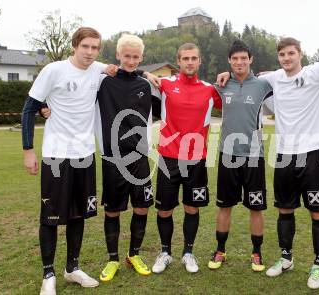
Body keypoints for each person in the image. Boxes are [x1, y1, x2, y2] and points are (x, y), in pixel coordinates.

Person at [217, 37, 319, 289]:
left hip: (312, 154)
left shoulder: (316, 72)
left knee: (317, 212)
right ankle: (285, 258)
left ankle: (318, 265)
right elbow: (245, 76)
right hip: (284, 154)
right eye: (282, 55)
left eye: (291, 54)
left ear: (300, 54)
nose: (287, 58)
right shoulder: (273, 78)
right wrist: (226, 73)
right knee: (284, 209)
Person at [21, 27, 117, 295]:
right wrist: (28, 150)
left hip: (85, 154)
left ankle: (72, 268)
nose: (89, 52)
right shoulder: (54, 70)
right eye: (85, 46)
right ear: (75, 46)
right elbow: (29, 108)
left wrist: (151, 76)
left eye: (95, 47)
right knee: (50, 216)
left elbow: (124, 68)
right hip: (56, 155)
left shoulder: (99, 69)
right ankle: (48, 274)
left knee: (79, 214)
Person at [151, 43, 222, 274]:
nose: (190, 62)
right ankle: (165, 252)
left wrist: (229, 75)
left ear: (200, 61)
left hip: (196, 160)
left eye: (194, 58)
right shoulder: (165, 85)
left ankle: (188, 253)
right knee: (164, 210)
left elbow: (236, 95)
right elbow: (133, 75)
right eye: (185, 58)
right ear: (178, 61)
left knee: (192, 207)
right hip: (168, 158)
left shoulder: (211, 90)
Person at [94, 34, 161, 282]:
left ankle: (134, 255)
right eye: (127, 56)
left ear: (141, 58)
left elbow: (166, 104)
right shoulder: (103, 82)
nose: (131, 60)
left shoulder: (146, 86)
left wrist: (145, 74)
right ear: (118, 55)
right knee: (113, 210)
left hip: (139, 156)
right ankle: (112, 259)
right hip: (113, 157)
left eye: (135, 57)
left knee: (142, 206)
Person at [207, 40, 273, 272]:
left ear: (251, 59)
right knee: (225, 206)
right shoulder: (222, 85)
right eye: (235, 59)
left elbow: (287, 78)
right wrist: (222, 76)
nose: (239, 62)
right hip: (228, 155)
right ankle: (220, 250)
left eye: (243, 58)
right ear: (229, 61)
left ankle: (256, 252)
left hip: (254, 155)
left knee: (256, 207)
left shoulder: (264, 85)